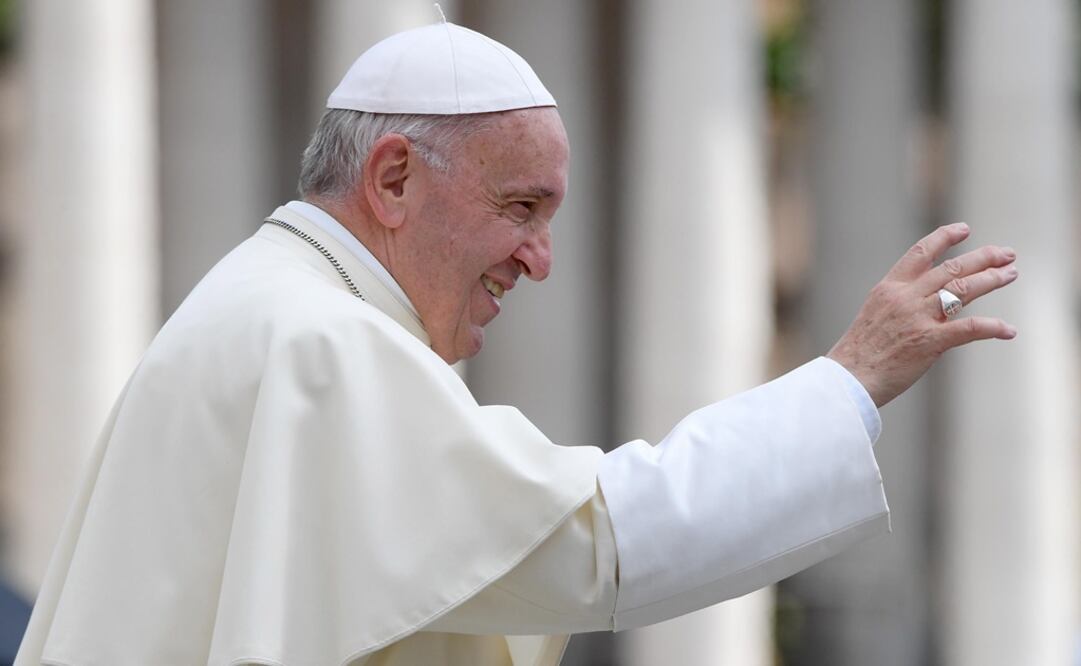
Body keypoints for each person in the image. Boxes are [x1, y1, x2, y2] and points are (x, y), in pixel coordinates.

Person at [15, 21, 1018, 666]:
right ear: (395, 179)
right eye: (518, 207)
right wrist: (845, 384)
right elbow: (601, 541)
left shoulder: (263, 306)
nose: (539, 260)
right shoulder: (318, 347)